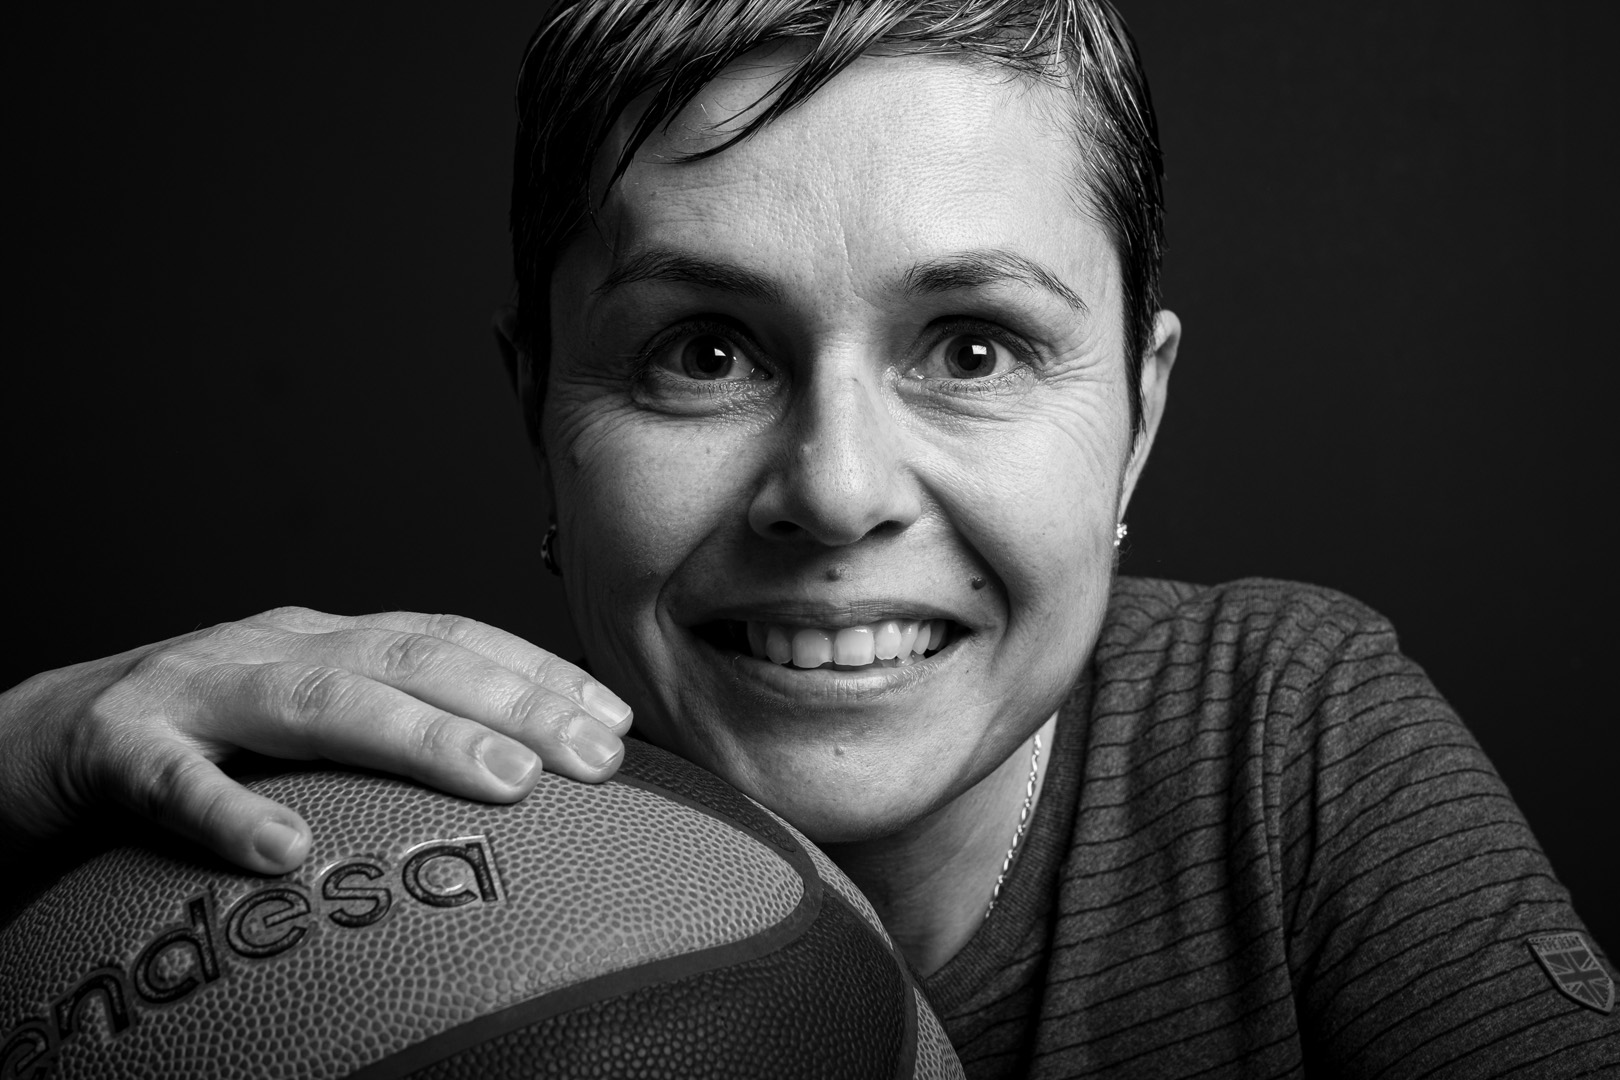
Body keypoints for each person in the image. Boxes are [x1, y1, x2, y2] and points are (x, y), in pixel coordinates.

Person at [2, 0, 1614, 1075]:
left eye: (972, 347)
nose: (837, 491)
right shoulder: (336, 864)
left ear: (1138, 414)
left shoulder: (1284, 745)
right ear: (540, 409)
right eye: (704, 351)